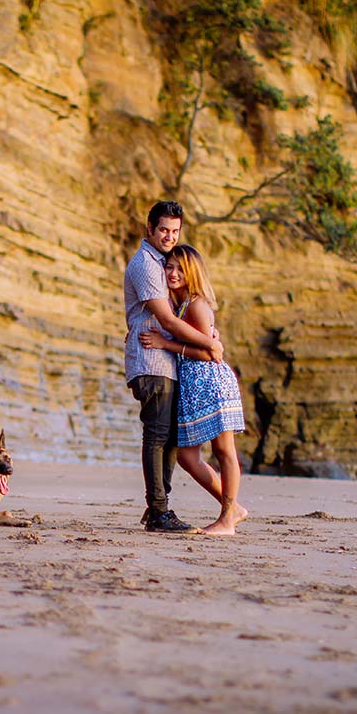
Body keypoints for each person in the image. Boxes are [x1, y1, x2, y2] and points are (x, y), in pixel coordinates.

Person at [124, 202, 225, 532]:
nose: (168, 236)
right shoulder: (145, 265)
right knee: (157, 436)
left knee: (168, 438)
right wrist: (208, 343)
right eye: (163, 230)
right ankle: (158, 511)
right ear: (149, 227)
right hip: (150, 360)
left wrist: (207, 331)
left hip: (167, 362)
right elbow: (166, 319)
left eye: (174, 231)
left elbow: (182, 311)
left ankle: (159, 507)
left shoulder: (163, 263)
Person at [139, 244, 248, 535]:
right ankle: (233, 507)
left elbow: (210, 353)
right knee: (188, 457)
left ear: (192, 273)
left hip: (211, 383)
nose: (172, 273)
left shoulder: (197, 305)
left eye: (180, 268)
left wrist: (165, 344)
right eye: (169, 267)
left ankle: (227, 520)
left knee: (225, 451)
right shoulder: (181, 305)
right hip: (193, 387)